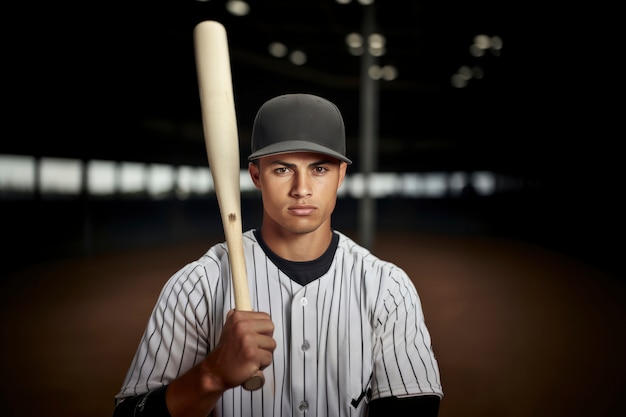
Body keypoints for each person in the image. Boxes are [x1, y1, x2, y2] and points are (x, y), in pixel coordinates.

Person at [113, 93, 443, 417]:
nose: (301, 188)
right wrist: (211, 375)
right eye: (283, 169)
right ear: (256, 175)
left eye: (319, 169)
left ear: (341, 174)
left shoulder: (386, 287)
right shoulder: (198, 284)